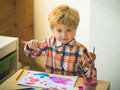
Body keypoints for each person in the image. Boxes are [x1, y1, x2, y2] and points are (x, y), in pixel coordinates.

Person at [24, 4, 97, 79]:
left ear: (75, 30)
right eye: (59, 30)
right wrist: (30, 47)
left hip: (72, 86)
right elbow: (31, 54)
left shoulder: (80, 50)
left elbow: (90, 71)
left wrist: (90, 75)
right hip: (51, 84)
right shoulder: (48, 43)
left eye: (69, 30)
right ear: (53, 30)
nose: (64, 35)